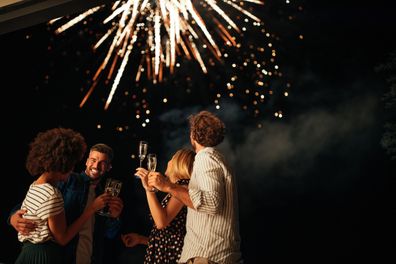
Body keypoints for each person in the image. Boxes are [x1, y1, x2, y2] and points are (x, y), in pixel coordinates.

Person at [148, 110, 243, 264]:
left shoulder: (205, 158)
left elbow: (211, 204)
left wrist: (169, 187)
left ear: (193, 134)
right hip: (213, 256)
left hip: (208, 256)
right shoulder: (218, 159)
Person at [10, 141, 124, 264]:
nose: (96, 166)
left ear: (109, 167)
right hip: (62, 258)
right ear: (86, 161)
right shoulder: (67, 178)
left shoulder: (105, 196)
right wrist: (13, 217)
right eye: (93, 160)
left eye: (103, 163)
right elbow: (35, 201)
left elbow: (110, 235)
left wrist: (115, 217)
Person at [124, 148, 195, 263]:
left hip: (170, 257)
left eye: (172, 159)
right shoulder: (177, 189)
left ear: (179, 163)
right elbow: (167, 237)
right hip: (166, 253)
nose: (169, 162)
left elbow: (161, 222)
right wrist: (141, 239)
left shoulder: (182, 187)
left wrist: (149, 190)